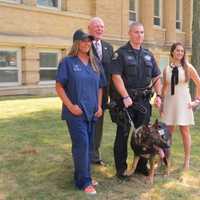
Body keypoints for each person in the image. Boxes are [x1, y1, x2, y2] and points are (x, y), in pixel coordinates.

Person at [55, 29, 106, 194]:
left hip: (92, 112)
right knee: (81, 145)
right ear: (76, 43)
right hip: (75, 113)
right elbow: (59, 86)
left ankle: (84, 176)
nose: (87, 43)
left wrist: (99, 106)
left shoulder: (95, 63)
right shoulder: (68, 62)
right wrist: (70, 106)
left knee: (88, 146)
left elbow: (100, 87)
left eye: (89, 41)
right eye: (83, 40)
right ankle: (84, 183)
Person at [109, 22, 162, 179]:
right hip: (126, 102)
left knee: (144, 136)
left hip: (143, 103)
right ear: (129, 33)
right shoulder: (121, 54)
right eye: (136, 32)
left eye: (142, 32)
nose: (140, 35)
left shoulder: (148, 54)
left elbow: (157, 77)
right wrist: (125, 96)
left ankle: (140, 166)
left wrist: (159, 96)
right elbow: (116, 76)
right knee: (123, 135)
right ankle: (121, 169)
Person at [160, 42, 200, 171]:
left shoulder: (188, 67)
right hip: (170, 103)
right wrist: (161, 103)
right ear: (172, 52)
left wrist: (197, 101)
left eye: (182, 51)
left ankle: (187, 161)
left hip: (184, 102)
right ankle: (166, 159)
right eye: (177, 50)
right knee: (168, 133)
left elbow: (199, 83)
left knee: (185, 131)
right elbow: (164, 88)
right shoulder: (167, 69)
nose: (180, 53)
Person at [88, 17, 114, 165]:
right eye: (97, 26)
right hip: (87, 93)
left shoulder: (108, 47)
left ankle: (95, 155)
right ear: (89, 28)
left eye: (102, 26)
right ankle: (85, 154)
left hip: (103, 95)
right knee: (86, 125)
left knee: (98, 125)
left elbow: (111, 72)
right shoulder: (84, 45)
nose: (99, 29)